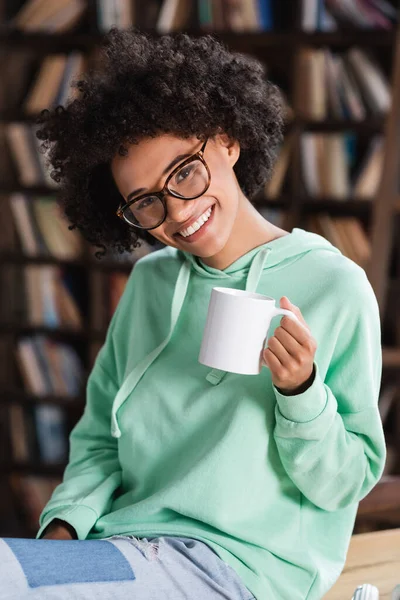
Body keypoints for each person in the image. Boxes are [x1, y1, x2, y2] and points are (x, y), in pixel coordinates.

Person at [1, 28, 386, 600]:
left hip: (238, 571)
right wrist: (62, 532)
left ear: (228, 141)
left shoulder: (333, 287)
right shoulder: (151, 283)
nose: (178, 215)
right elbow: (101, 437)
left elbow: (345, 482)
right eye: (146, 201)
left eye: (184, 172)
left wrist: (302, 392)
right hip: (122, 550)